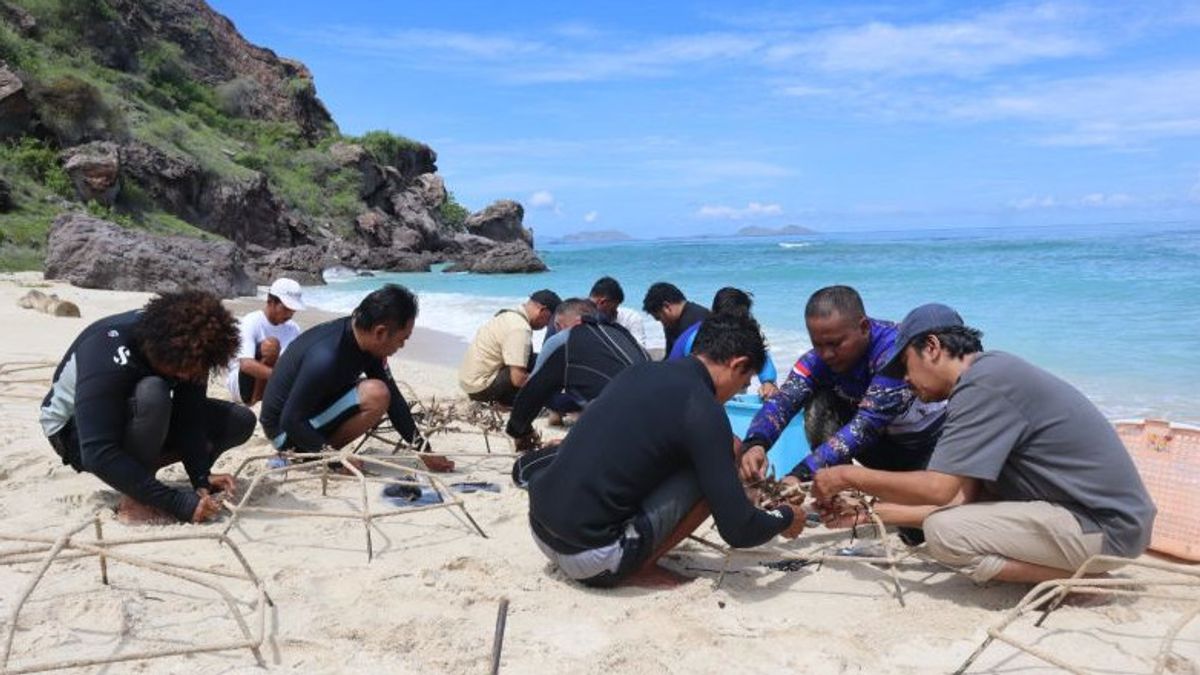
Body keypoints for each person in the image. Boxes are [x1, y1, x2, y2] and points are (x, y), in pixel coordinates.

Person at [812, 303, 1156, 584]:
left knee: (945, 535)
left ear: (931, 348)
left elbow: (939, 490)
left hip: (1105, 529)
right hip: (1099, 521)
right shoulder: (988, 377)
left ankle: (1080, 580)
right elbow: (964, 498)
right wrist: (867, 515)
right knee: (952, 521)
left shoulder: (983, 385)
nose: (905, 378)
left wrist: (846, 475)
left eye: (905, 365)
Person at [526, 314, 805, 588]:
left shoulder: (639, 371)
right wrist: (786, 517)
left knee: (699, 453)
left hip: (540, 528)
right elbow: (739, 530)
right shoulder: (703, 407)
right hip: (591, 558)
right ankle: (642, 567)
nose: (737, 393)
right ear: (738, 364)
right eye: (743, 384)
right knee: (710, 471)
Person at [40, 291, 256, 524]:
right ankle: (135, 501)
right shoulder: (107, 346)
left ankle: (138, 478)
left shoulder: (193, 351)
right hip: (73, 433)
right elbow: (96, 453)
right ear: (160, 349)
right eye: (181, 370)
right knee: (153, 392)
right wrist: (177, 503)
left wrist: (201, 476)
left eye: (194, 371)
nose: (185, 376)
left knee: (239, 421)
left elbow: (189, 415)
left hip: (133, 414)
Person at [738, 286, 945, 492]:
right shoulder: (819, 360)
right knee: (818, 400)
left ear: (864, 327)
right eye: (818, 345)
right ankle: (838, 492)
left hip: (929, 450)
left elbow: (866, 426)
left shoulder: (894, 351)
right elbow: (783, 401)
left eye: (835, 344)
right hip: (880, 450)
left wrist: (800, 474)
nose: (827, 354)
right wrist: (756, 443)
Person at [259, 284, 451, 471]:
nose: (401, 346)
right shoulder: (326, 357)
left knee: (382, 391)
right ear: (380, 332)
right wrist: (335, 460)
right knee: (376, 394)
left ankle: (323, 452)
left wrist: (424, 450)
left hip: (308, 415)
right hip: (285, 435)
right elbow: (290, 421)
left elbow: (395, 400)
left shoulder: (364, 340)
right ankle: (319, 455)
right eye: (402, 339)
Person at [507, 298, 649, 446]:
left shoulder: (564, 339)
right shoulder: (623, 334)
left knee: (531, 462)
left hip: (623, 431)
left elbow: (533, 391)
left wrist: (519, 431)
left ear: (558, 325)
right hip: (656, 417)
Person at [667, 287, 780, 398]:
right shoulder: (696, 334)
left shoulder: (746, 335)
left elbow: (759, 355)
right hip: (699, 390)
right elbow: (674, 366)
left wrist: (768, 382)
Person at [458, 289, 561, 406]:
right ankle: (507, 400)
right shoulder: (520, 329)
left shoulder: (508, 314)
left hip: (469, 382)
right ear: (542, 310)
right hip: (481, 389)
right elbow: (518, 379)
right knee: (539, 380)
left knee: (540, 360)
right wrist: (546, 388)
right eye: (549, 320)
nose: (546, 325)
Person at [227, 278, 306, 406]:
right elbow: (246, 365)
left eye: (293, 309)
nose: (290, 314)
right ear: (270, 301)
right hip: (242, 386)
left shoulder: (293, 328)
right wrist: (282, 377)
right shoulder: (251, 322)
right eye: (286, 308)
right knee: (272, 345)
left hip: (273, 384)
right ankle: (257, 400)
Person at [642, 281, 708, 357]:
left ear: (667, 307)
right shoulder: (673, 322)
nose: (662, 323)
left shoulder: (697, 320)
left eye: (659, 318)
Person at [588, 276, 648, 349]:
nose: (616, 313)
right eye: (613, 309)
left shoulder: (630, 318)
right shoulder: (581, 321)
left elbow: (640, 349)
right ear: (603, 302)